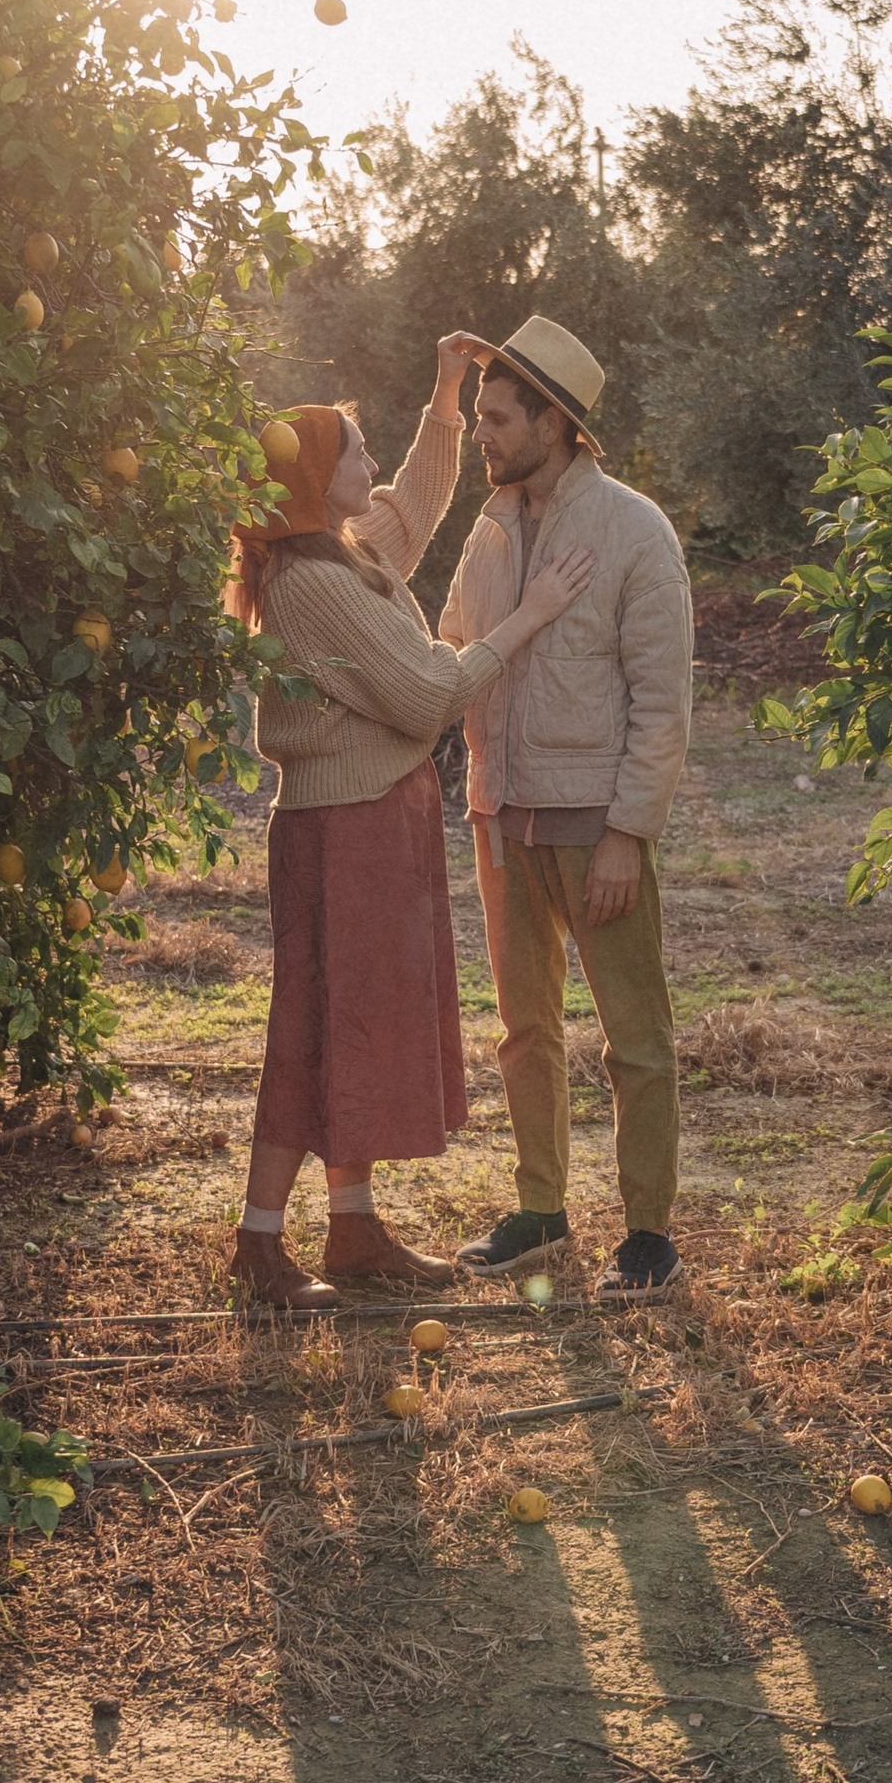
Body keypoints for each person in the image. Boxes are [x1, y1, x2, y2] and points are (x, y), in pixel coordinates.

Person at [226, 338, 596, 1311]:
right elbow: (427, 694)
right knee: (315, 1026)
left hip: (373, 820)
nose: (372, 463)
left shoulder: (343, 553)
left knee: (352, 1025)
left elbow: (417, 506)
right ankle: (259, 1243)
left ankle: (351, 1228)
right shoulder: (312, 584)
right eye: (355, 451)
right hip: (342, 829)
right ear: (317, 480)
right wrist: (526, 616)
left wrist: (445, 393)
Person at [438, 314, 694, 1298]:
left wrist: (628, 830)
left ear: (552, 423)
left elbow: (662, 705)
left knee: (636, 1039)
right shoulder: (489, 528)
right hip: (501, 817)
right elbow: (456, 647)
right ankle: (540, 1211)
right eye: (479, 417)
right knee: (524, 1031)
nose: (483, 434)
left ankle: (647, 1236)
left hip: (596, 827)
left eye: (498, 417)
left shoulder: (635, 531)